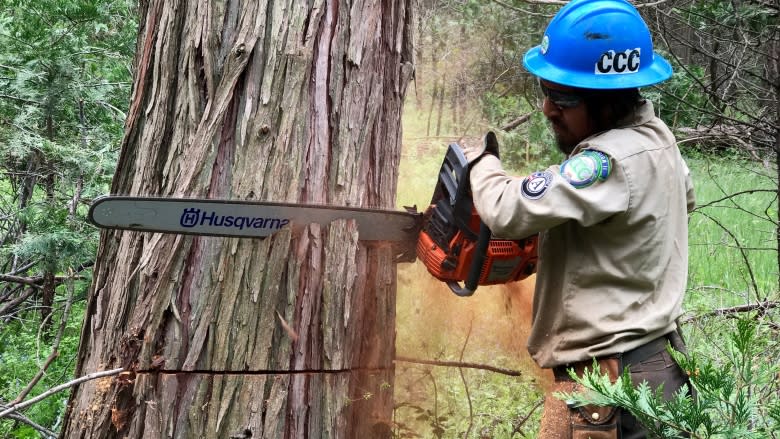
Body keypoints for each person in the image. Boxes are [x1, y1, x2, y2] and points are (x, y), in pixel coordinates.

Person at [463, 0, 697, 437]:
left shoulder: (608, 160)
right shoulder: (659, 140)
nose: (550, 109)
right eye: (546, 93)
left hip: (608, 384)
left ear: (607, 99)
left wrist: (481, 164)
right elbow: (678, 203)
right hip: (657, 367)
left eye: (564, 98)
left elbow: (506, 210)